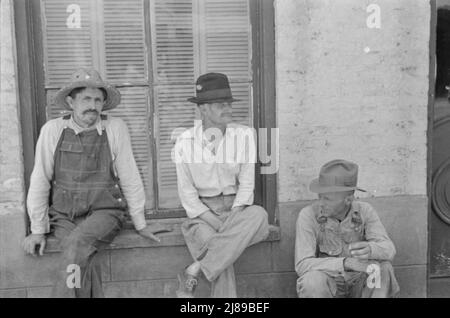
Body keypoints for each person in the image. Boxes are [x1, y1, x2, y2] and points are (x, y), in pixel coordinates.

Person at [21, 68, 171, 298]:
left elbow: (129, 175)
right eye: (86, 99)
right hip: (64, 215)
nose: (93, 105)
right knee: (82, 257)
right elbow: (40, 179)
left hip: (105, 212)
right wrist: (38, 229)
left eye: (98, 100)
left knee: (74, 247)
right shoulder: (53, 130)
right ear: (71, 102)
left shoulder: (115, 127)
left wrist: (140, 223)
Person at [174, 73, 269, 298]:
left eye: (229, 103)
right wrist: (217, 224)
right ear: (203, 109)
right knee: (219, 248)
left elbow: (247, 185)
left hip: (238, 210)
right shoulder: (185, 142)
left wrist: (232, 219)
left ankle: (194, 268)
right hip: (204, 215)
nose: (228, 108)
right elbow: (188, 196)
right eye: (220, 104)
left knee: (260, 216)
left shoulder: (244, 135)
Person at [295, 159, 400, 298]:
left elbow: (389, 249)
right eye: (319, 196)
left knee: (383, 269)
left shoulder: (365, 211)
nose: (320, 203)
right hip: (330, 284)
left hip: (361, 284)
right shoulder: (308, 215)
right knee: (312, 281)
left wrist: (372, 249)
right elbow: (302, 264)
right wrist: (346, 263)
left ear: (348, 200)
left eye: (327, 199)